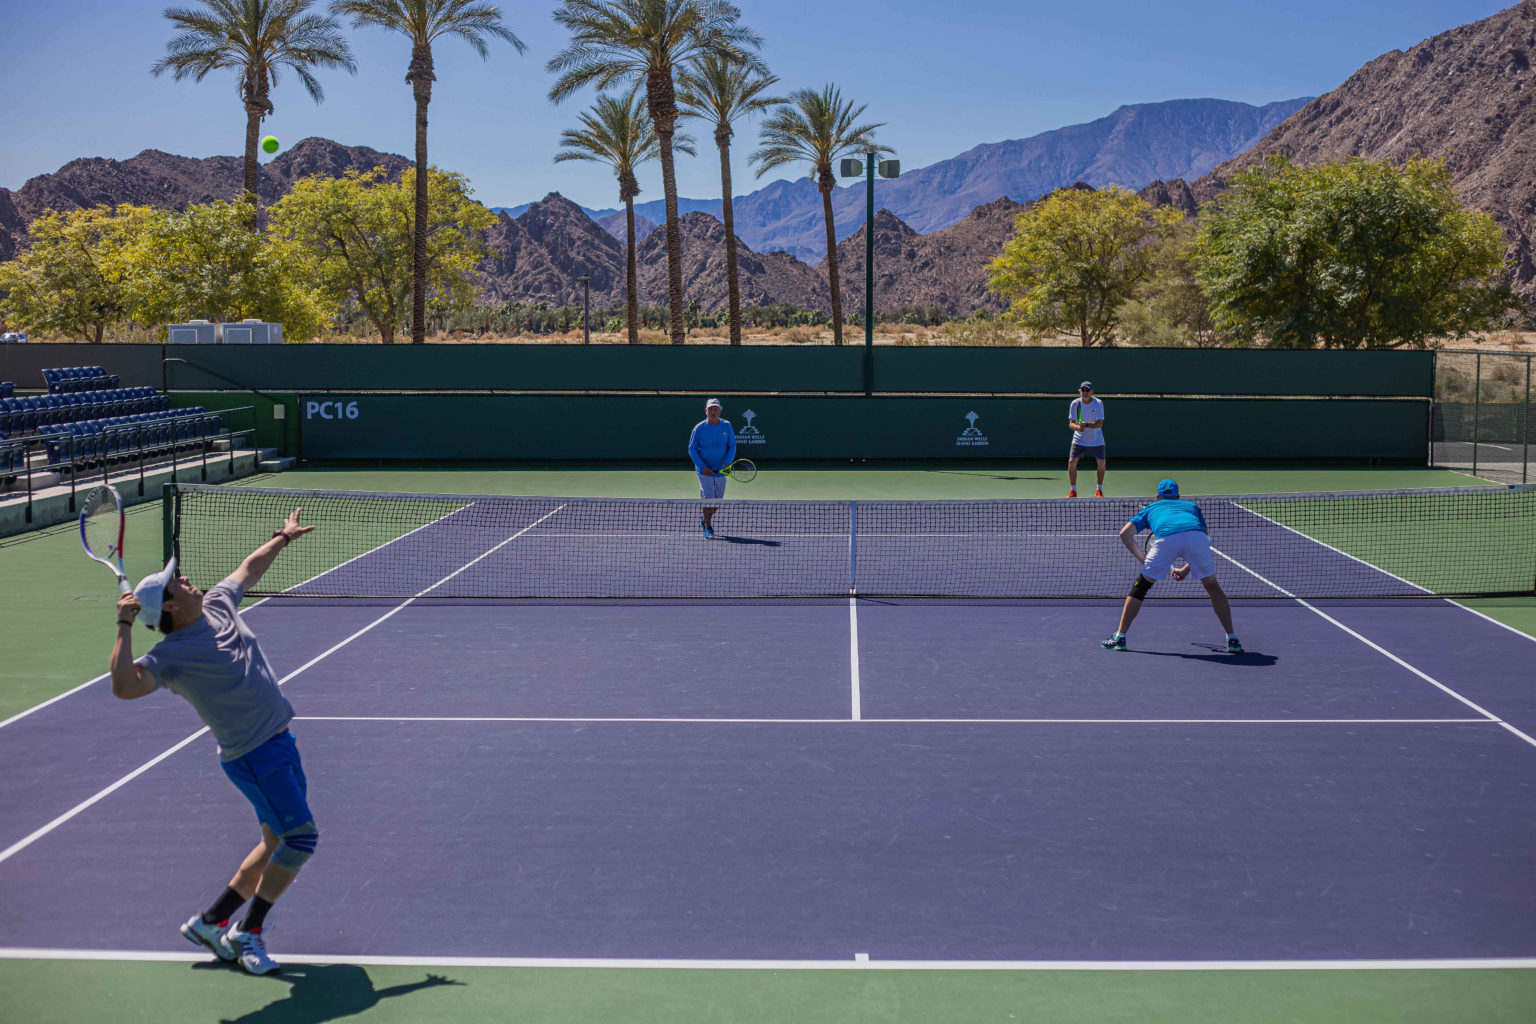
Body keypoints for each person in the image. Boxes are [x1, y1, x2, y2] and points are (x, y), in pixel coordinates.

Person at [110, 508, 316, 976]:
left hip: (280, 744)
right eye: (175, 581)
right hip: (255, 756)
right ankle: (248, 932)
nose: (184, 578)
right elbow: (125, 687)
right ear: (167, 605)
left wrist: (281, 537)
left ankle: (210, 922)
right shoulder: (169, 656)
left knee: (273, 843)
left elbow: (249, 568)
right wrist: (122, 627)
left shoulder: (219, 602)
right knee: (300, 839)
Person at [1101, 479, 1243, 654]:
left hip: (1167, 539)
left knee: (1141, 586)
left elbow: (1124, 534)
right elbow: (1202, 540)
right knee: (1212, 586)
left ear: (1157, 496)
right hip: (1196, 539)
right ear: (1179, 496)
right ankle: (1233, 639)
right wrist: (1185, 570)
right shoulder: (1191, 506)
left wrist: (1143, 560)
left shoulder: (1150, 508)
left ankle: (1119, 637)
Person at [687, 397, 735, 539]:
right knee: (708, 499)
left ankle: (704, 518)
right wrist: (703, 466)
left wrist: (728, 463)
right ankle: (708, 526)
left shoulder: (727, 426)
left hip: (720, 470)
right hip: (704, 471)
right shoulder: (699, 428)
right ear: (706, 411)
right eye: (711, 408)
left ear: (720, 410)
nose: (713, 411)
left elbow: (732, 446)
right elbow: (692, 449)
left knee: (717, 502)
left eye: (716, 408)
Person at [1067, 381, 1106, 497]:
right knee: (1071, 462)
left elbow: (1099, 424)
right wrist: (1078, 427)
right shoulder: (1075, 404)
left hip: (1097, 439)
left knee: (1102, 464)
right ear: (1080, 391)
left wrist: (1087, 425)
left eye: (1087, 390)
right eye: (1083, 390)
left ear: (1092, 392)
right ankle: (1073, 490)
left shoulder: (1098, 403)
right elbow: (1071, 424)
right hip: (1079, 439)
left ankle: (1099, 490)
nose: (1085, 392)